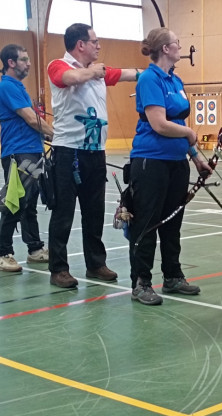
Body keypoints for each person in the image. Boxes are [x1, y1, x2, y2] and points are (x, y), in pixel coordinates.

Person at [47, 23, 140, 288]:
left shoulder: (98, 72)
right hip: (69, 152)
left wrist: (153, 72)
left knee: (94, 212)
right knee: (63, 213)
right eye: (94, 42)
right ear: (80, 45)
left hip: (95, 153)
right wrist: (93, 72)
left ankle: (96, 264)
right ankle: (58, 269)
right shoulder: (58, 65)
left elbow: (127, 73)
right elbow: (68, 78)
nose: (98, 46)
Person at [129, 27, 212, 305]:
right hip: (151, 162)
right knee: (147, 223)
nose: (180, 47)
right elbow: (159, 124)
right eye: (177, 43)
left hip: (177, 163)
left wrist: (196, 157)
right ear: (165, 48)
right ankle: (141, 282)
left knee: (172, 222)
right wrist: (189, 134)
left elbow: (178, 122)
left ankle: (173, 276)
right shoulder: (149, 79)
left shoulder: (175, 80)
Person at [0, 44, 52, 272]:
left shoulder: (18, 87)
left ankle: (35, 249)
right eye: (24, 59)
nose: (29, 63)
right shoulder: (7, 86)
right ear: (11, 63)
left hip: (32, 151)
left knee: (30, 202)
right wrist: (57, 135)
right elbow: (31, 119)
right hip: (18, 152)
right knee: (15, 201)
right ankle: (3, 252)